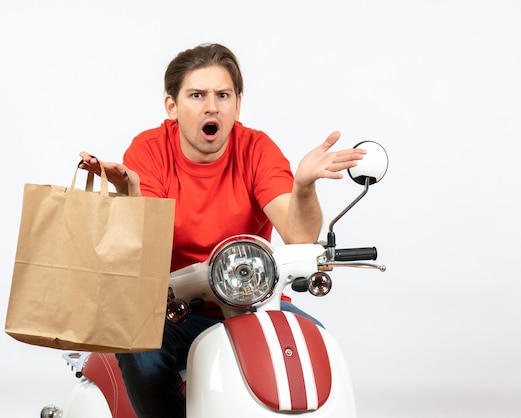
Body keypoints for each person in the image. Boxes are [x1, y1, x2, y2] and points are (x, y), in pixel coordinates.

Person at [78, 43, 366, 418]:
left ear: (237, 104)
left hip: (251, 304)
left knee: (317, 347)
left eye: (222, 95)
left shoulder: (256, 149)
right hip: (172, 309)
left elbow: (298, 235)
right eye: (197, 95)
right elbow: (144, 247)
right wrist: (130, 192)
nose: (211, 106)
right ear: (172, 106)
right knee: (141, 355)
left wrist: (304, 186)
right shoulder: (150, 151)